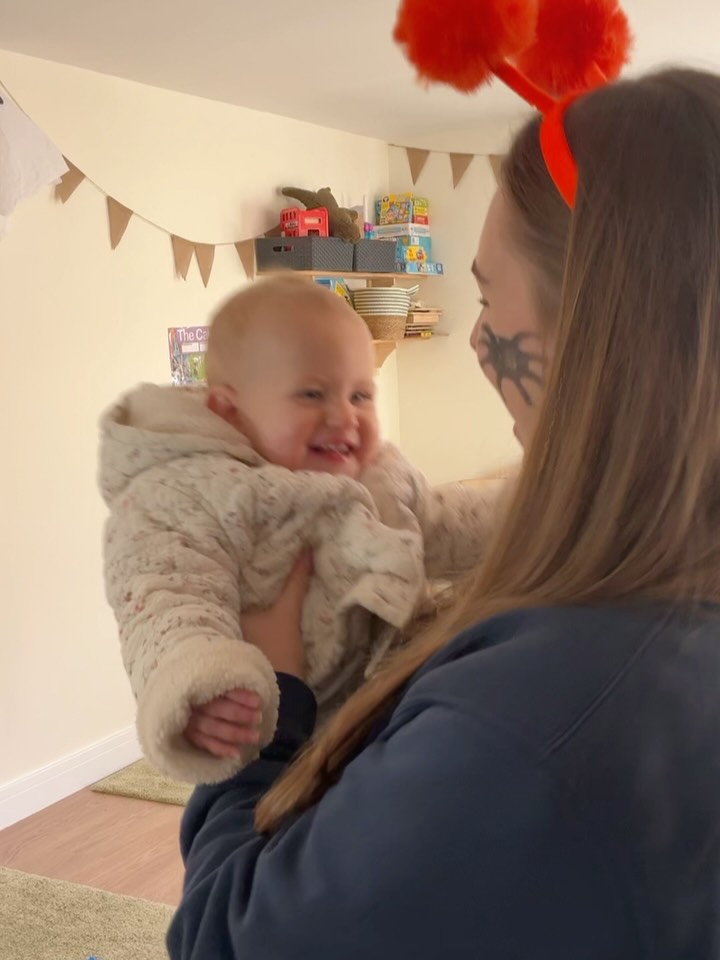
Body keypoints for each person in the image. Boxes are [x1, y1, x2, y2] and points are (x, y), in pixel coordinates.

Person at [166, 68, 720, 959]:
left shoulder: (538, 711)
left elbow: (238, 937)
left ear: (591, 330)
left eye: (490, 296)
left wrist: (272, 709)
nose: (473, 336)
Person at [99, 275, 507, 784]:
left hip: (389, 724)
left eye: (361, 395)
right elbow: (168, 595)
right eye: (312, 393)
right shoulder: (188, 492)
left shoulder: (378, 477)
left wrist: (534, 507)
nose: (345, 417)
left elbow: (448, 523)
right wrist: (202, 679)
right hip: (282, 740)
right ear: (231, 410)